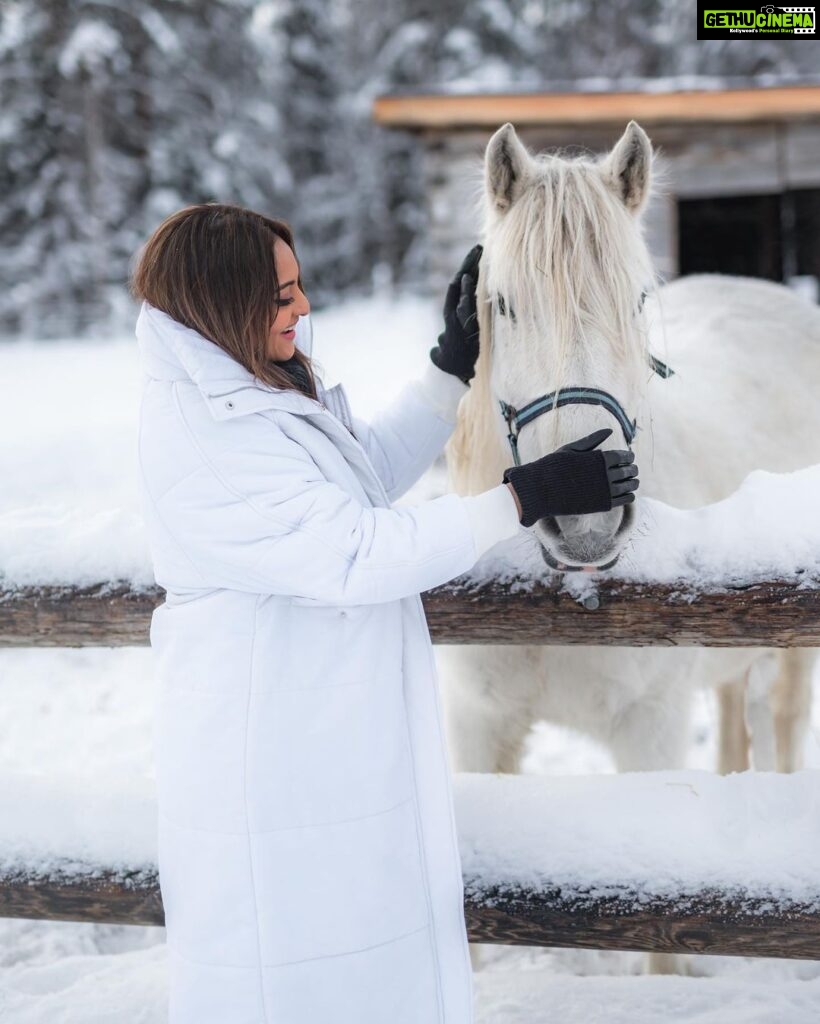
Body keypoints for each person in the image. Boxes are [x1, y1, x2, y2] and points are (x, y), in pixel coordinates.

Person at [132, 202, 638, 1024]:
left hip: (317, 746)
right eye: (280, 296)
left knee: (353, 970)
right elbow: (358, 553)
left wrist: (451, 365)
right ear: (221, 303)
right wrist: (523, 495)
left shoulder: (244, 391)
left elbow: (360, 473)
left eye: (298, 288)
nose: (302, 309)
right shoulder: (207, 436)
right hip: (272, 774)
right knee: (291, 983)